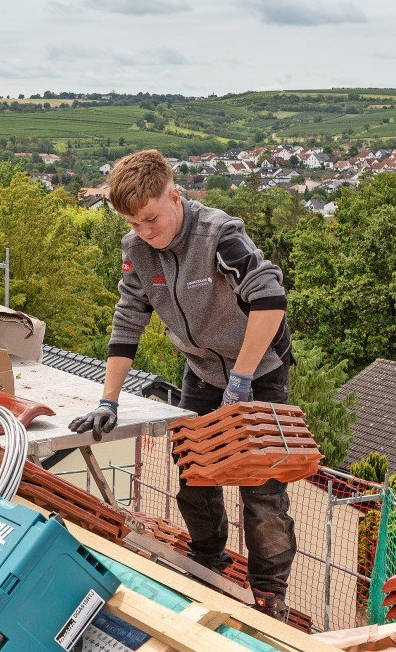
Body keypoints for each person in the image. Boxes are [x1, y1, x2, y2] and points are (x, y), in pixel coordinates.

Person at [69, 149, 296, 620]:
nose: (145, 233)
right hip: (202, 371)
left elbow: (271, 299)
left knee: (261, 486)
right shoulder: (137, 251)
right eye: (134, 224)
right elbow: (128, 320)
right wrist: (107, 399)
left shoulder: (219, 235)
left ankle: (270, 592)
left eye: (151, 219)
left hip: (259, 369)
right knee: (196, 473)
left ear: (174, 196)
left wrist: (242, 380)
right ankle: (207, 559)